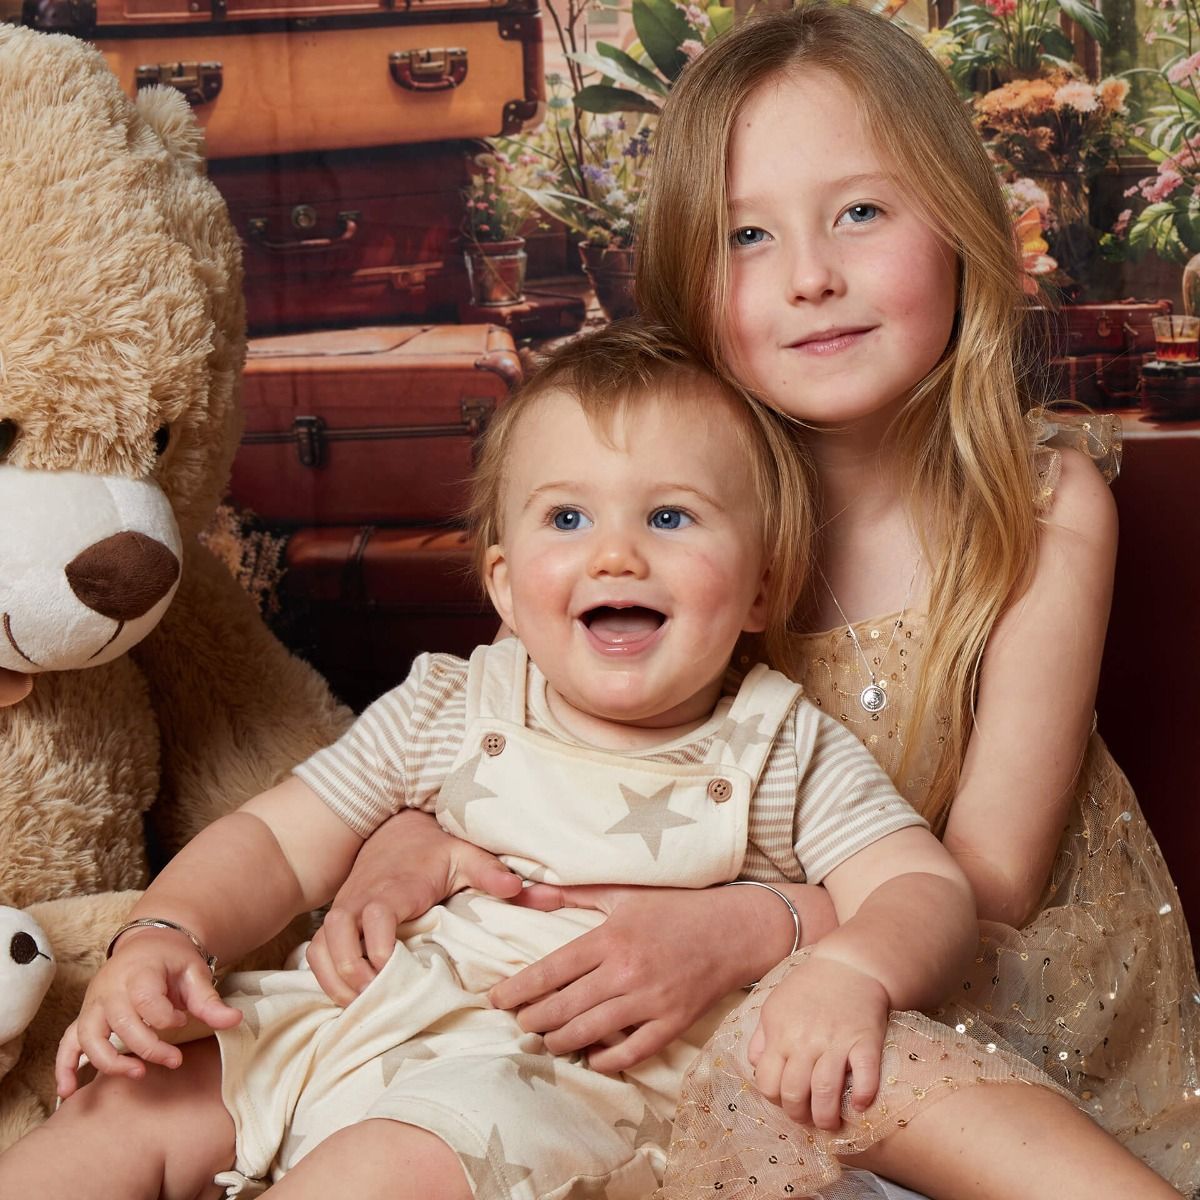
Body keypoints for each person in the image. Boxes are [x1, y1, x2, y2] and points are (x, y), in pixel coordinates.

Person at [320, 5, 1200, 1198]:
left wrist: (745, 931)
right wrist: (407, 838)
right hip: (710, 990)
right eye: (746, 234)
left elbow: (986, 882)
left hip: (976, 991)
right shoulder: (660, 512)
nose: (813, 277)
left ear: (955, 218)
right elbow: (526, 724)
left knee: (827, 1060)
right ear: (687, 270)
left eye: (861, 211)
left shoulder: (1038, 503)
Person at [0, 324, 1177, 1200]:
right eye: (566, 520)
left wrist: (854, 971)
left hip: (539, 1079)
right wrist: (167, 934)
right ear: (505, 586)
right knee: (110, 1119)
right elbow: (273, 838)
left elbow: (925, 888)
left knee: (375, 1175)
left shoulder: (781, 743)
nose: (616, 549)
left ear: (761, 587)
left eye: (671, 518)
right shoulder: (450, 702)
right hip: (345, 1019)